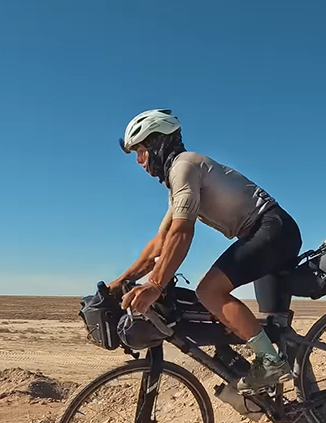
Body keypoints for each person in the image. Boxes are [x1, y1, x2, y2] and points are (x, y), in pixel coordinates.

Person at [108, 109, 302, 393]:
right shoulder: (178, 180)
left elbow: (182, 232)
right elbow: (161, 242)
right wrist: (121, 280)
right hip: (269, 232)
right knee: (275, 326)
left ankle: (271, 362)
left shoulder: (183, 167)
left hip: (272, 229)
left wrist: (154, 284)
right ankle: (309, 406)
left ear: (158, 143)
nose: (138, 160)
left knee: (209, 291)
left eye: (140, 150)